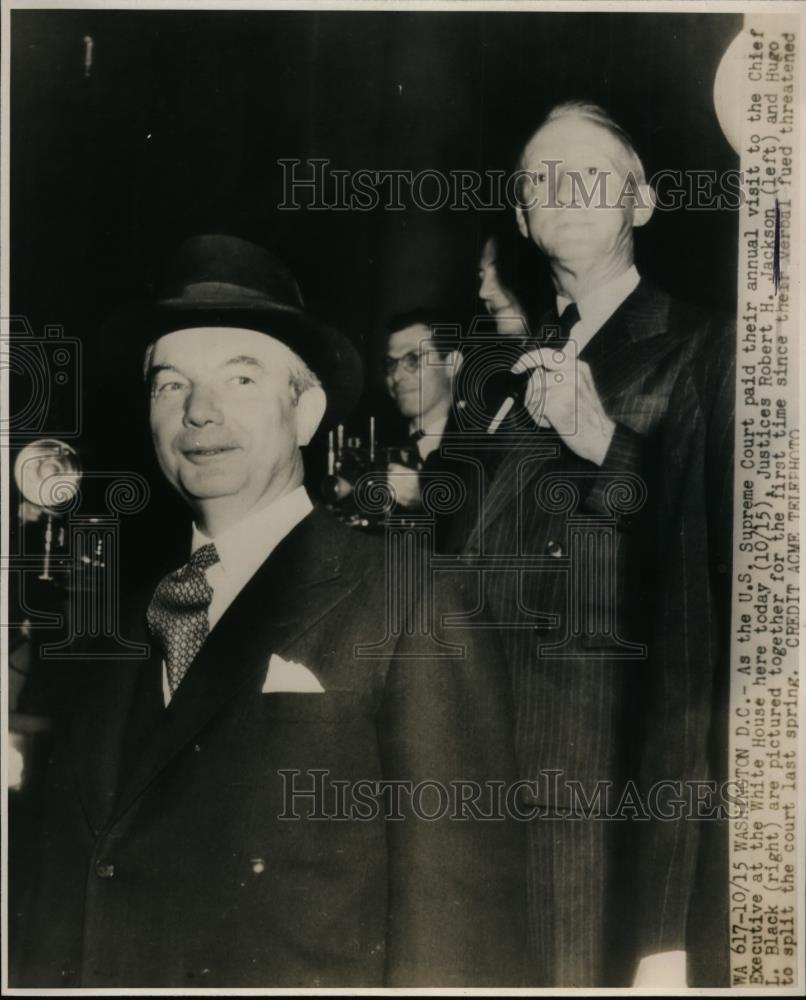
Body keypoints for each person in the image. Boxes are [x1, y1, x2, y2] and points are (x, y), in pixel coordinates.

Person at [11, 234, 526, 989]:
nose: (199, 413)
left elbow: (461, 933)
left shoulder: (414, 607)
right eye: (168, 384)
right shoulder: (115, 621)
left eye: (241, 378)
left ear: (307, 410)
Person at [465, 102, 734, 987]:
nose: (565, 191)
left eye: (593, 173)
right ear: (519, 216)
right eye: (541, 177)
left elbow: (732, 570)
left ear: (644, 204)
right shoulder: (503, 383)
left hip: (600, 802)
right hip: (476, 776)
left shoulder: (708, 349)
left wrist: (606, 445)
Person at [382, 307, 462, 517]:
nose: (397, 376)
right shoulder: (376, 446)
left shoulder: (479, 452)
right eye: (390, 365)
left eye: (413, 360)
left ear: (452, 364)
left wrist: (426, 501)